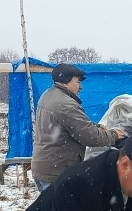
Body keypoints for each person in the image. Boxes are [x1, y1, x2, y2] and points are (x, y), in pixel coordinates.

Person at [31, 63, 127, 191]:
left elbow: (69, 124)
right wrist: (114, 135)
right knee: (64, 210)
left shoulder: (48, 95)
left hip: (44, 167)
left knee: (52, 209)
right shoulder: (66, 104)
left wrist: (95, 126)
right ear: (65, 82)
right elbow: (90, 137)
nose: (80, 87)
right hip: (56, 173)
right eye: (77, 82)